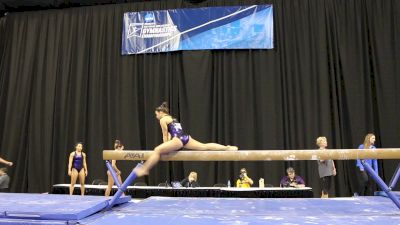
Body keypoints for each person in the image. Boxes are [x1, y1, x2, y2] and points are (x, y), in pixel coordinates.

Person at [135, 102, 238, 177]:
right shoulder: (172, 118)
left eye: (156, 114)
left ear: (161, 112)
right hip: (185, 138)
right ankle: (227, 147)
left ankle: (145, 169)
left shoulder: (163, 120)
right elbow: (175, 131)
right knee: (204, 146)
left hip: (177, 141)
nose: (156, 116)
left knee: (157, 150)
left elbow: (165, 135)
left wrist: (166, 149)